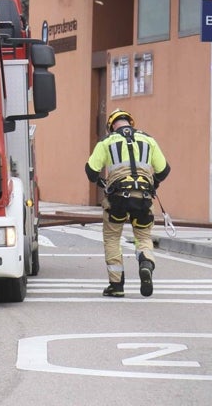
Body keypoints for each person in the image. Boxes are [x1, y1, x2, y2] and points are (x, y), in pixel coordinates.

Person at [84, 108, 170, 298]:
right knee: (143, 236)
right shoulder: (149, 140)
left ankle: (116, 285)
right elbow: (164, 170)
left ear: (111, 126)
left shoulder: (106, 142)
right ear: (130, 123)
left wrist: (101, 182)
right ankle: (146, 263)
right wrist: (152, 183)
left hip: (117, 199)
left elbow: (90, 171)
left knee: (113, 238)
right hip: (144, 198)